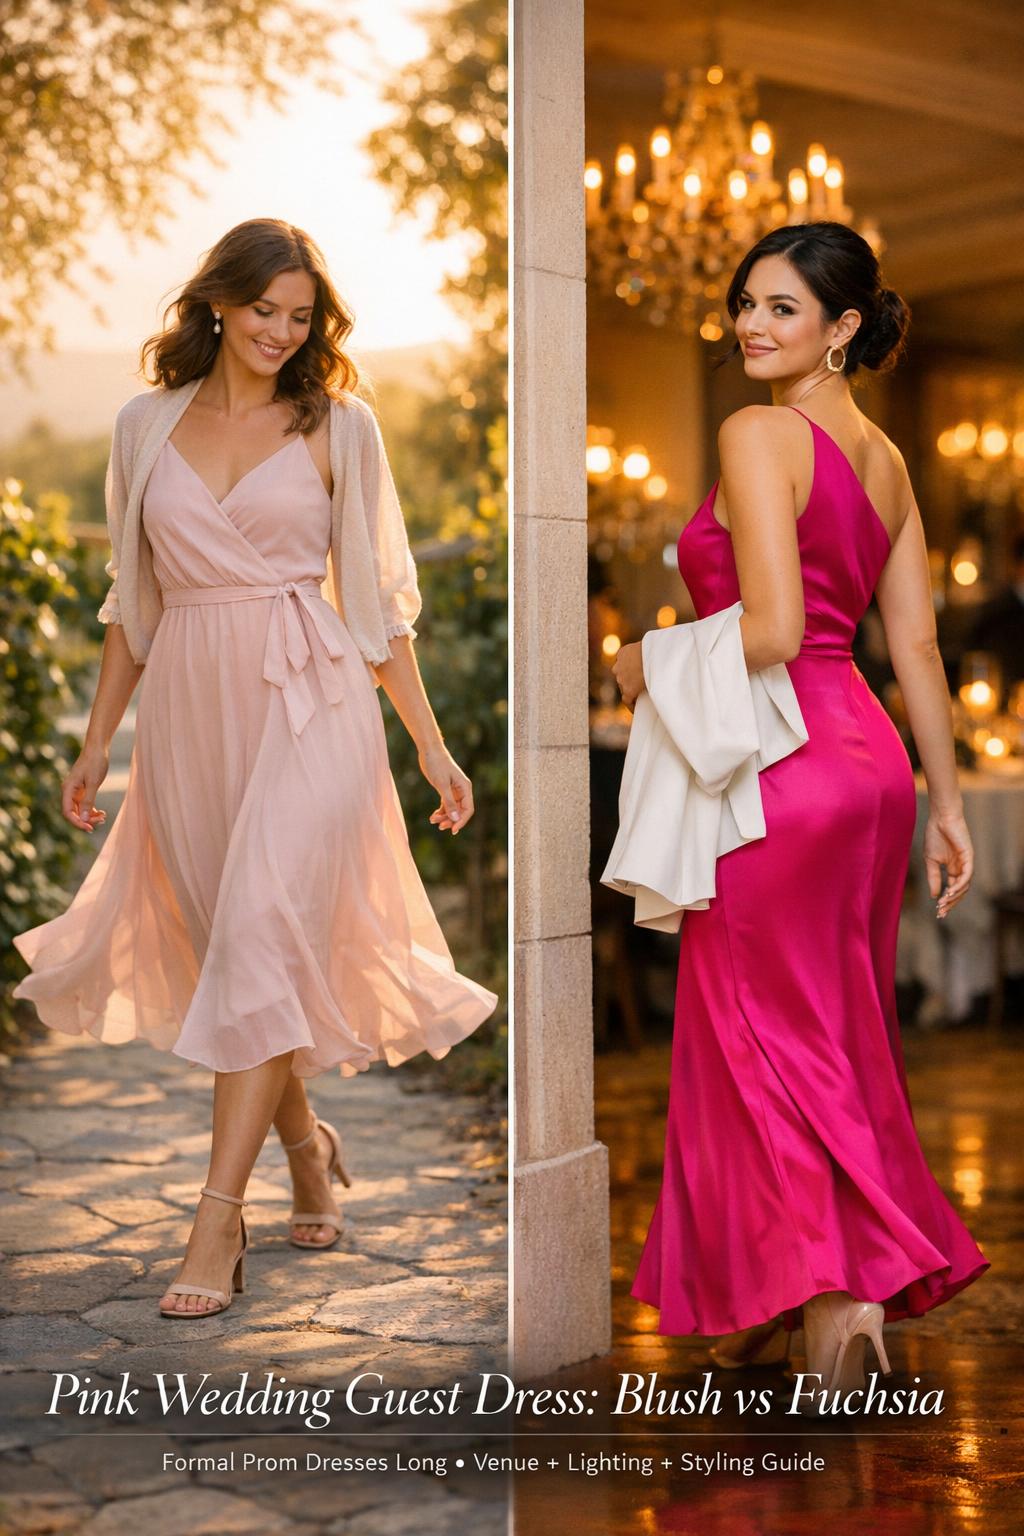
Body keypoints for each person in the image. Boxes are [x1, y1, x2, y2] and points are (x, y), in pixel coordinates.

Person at [12, 219, 498, 1320]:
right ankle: (309, 1151)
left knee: (264, 930)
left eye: (300, 316)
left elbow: (376, 607)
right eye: (263, 310)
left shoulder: (342, 426)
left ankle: (214, 1221)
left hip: (311, 699)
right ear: (218, 305)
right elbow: (131, 607)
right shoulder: (143, 427)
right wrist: (96, 743)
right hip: (189, 708)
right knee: (237, 948)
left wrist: (428, 741)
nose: (281, 332)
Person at [611, 221, 988, 1407]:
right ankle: (786, 1296)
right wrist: (946, 801)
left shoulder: (756, 431)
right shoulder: (882, 459)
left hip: (780, 763)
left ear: (840, 330)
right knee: (835, 1032)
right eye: (745, 306)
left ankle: (840, 1305)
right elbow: (915, 646)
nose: (751, 327)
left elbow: (768, 634)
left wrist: (640, 659)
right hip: (866, 764)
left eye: (781, 309)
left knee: (760, 1037)